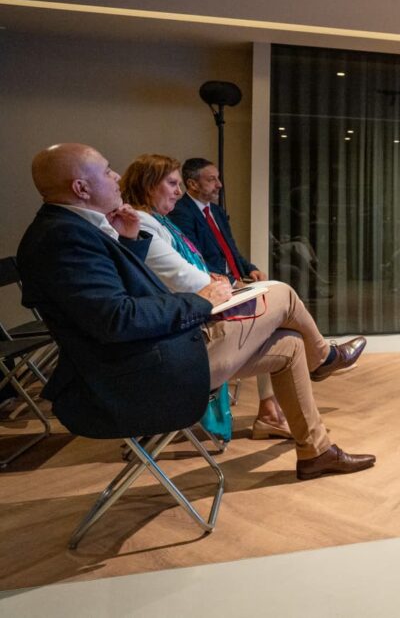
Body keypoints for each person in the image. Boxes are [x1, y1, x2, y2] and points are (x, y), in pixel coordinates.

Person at [18, 144, 374, 480]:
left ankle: (316, 452)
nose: (116, 177)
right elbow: (118, 318)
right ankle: (324, 358)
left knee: (291, 345)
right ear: (81, 188)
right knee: (281, 293)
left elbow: (120, 297)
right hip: (141, 375)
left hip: (151, 356)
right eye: (108, 171)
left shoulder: (73, 230)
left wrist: (129, 243)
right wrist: (202, 301)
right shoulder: (63, 239)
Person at [118, 153, 366, 440]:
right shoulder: (145, 225)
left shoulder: (162, 222)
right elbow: (184, 278)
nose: (178, 191)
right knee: (283, 294)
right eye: (172, 184)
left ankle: (310, 444)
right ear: (149, 185)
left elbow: (221, 255)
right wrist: (224, 286)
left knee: (290, 339)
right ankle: (323, 358)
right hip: (191, 332)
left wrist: (245, 272)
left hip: (202, 310)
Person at [167, 157, 266, 283]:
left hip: (238, 280)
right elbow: (194, 258)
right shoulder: (180, 212)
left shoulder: (217, 211)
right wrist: (232, 283)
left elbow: (231, 250)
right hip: (214, 284)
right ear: (193, 184)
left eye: (218, 178)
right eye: (211, 179)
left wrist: (251, 269)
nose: (219, 184)